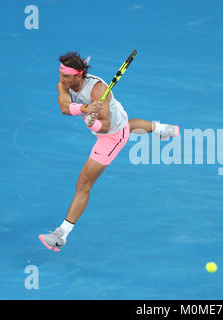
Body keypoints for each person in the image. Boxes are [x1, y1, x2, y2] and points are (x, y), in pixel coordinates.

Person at [38, 52, 179, 252]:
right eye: (61, 75)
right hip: (118, 116)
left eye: (66, 76)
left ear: (78, 75)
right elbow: (64, 107)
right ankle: (162, 129)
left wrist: (93, 123)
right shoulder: (65, 83)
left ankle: (61, 234)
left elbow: (105, 127)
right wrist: (87, 108)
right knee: (128, 127)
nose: (61, 80)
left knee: (83, 184)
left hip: (112, 136)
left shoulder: (98, 90)